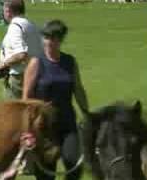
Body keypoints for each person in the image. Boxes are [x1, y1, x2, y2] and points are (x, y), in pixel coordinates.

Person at [23, 20, 89, 180]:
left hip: (67, 122)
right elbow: (26, 98)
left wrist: (88, 114)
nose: (49, 42)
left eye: (53, 38)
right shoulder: (36, 63)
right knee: (46, 172)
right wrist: (28, 129)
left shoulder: (69, 62)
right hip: (44, 127)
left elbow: (78, 90)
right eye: (46, 37)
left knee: (73, 163)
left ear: (60, 40)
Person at [0, 0, 43, 99]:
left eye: (4, 9)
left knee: (15, 112)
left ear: (8, 11)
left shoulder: (15, 27)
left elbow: (21, 54)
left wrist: (3, 65)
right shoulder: (31, 25)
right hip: (35, 74)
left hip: (18, 78)